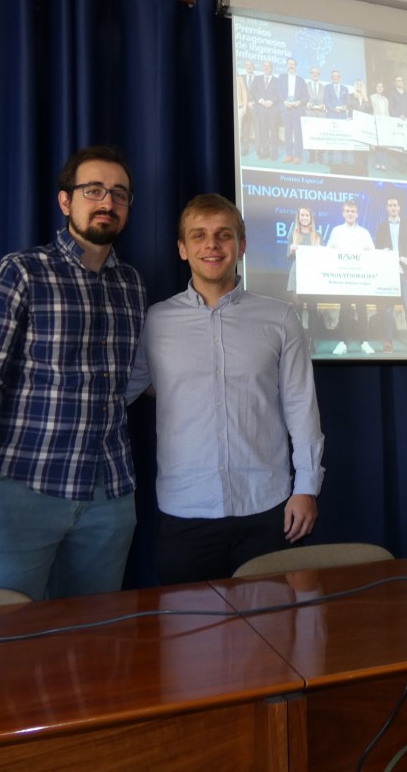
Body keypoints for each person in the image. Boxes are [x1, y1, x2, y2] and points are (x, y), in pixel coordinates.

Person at [0, 146, 147, 600]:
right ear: (66, 201)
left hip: (108, 499)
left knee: (93, 649)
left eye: (119, 194)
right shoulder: (20, 273)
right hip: (20, 492)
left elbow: (125, 383)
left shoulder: (131, 285)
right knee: (1, 651)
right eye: (93, 190)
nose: (107, 202)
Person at [128, 194, 323, 583]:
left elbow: (301, 407)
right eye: (198, 236)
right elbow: (133, 386)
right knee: (189, 639)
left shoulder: (280, 318)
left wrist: (307, 488)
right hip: (185, 511)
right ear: (182, 249)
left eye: (223, 235)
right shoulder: (155, 321)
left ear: (242, 245)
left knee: (272, 633)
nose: (211, 245)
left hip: (268, 508)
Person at [325, 199, 375, 355]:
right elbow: (328, 251)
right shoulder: (336, 231)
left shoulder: (364, 233)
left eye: (353, 211)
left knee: (362, 310)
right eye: (347, 211)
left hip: (361, 281)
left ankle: (364, 342)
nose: (350, 214)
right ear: (343, 213)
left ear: (357, 214)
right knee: (344, 310)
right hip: (344, 280)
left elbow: (372, 253)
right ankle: (343, 343)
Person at [374, 195, 407, 354]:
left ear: (399, 208)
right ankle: (388, 343)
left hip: (405, 271)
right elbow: (377, 246)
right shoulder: (381, 226)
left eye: (395, 205)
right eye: (390, 205)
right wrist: (383, 251)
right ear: (387, 208)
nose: (393, 208)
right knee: (388, 309)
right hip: (389, 273)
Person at [287, 206, 323, 351]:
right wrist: (292, 249)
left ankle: (311, 342)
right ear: (298, 217)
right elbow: (288, 256)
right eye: (302, 215)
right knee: (298, 311)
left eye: (307, 215)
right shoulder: (293, 234)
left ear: (311, 217)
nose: (304, 218)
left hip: (312, 277)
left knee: (313, 311)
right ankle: (300, 342)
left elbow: (321, 257)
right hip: (297, 276)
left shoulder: (317, 235)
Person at [278, 57, 307, 164]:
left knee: (298, 133)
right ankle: (289, 155)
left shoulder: (301, 80)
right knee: (288, 133)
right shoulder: (281, 78)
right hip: (285, 109)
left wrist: (299, 102)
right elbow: (279, 92)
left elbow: (305, 97)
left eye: (293, 64)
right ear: (286, 66)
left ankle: (297, 156)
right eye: (289, 64)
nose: (291, 66)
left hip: (297, 109)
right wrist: (284, 101)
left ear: (296, 66)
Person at [250, 60, 280, 160]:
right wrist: (261, 100)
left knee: (274, 132)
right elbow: (253, 91)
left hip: (273, 110)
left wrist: (271, 101)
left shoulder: (277, 80)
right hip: (261, 110)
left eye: (268, 66)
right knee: (263, 132)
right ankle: (266, 151)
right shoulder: (257, 79)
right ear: (263, 67)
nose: (266, 68)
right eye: (265, 66)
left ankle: (274, 153)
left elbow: (279, 94)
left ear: (272, 68)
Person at [387, 75, 407, 172]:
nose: (400, 82)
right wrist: (399, 115)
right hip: (398, 122)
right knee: (400, 144)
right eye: (398, 81)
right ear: (395, 83)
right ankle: (402, 165)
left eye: (401, 81)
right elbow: (391, 108)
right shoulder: (392, 94)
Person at [305, 66, 326, 164]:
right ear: (310, 74)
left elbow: (326, 100)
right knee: (311, 135)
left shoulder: (323, 87)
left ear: (319, 75)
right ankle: (312, 156)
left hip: (321, 115)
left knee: (321, 136)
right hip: (310, 114)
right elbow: (304, 98)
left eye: (317, 73)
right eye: (313, 72)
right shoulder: (306, 85)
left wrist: (324, 105)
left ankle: (320, 156)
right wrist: (307, 104)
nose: (315, 74)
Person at [369, 80, 390, 171]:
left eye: (381, 87)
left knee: (384, 144)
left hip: (385, 123)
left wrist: (388, 122)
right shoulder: (372, 97)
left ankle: (384, 163)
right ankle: (378, 162)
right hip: (376, 123)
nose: (380, 88)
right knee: (377, 144)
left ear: (383, 89)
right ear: (376, 88)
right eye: (378, 86)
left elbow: (387, 111)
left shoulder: (386, 99)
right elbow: (370, 110)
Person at [240, 60, 257, 155]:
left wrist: (254, 102)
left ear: (254, 67)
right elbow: (239, 93)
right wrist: (245, 103)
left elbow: (260, 92)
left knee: (258, 129)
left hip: (255, 108)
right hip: (245, 108)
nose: (249, 67)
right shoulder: (241, 77)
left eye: (251, 65)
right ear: (245, 67)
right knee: (245, 129)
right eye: (247, 65)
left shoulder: (258, 78)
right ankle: (245, 149)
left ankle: (258, 149)